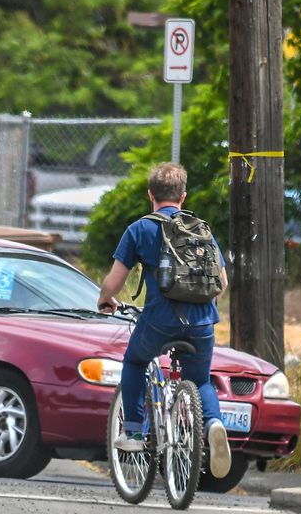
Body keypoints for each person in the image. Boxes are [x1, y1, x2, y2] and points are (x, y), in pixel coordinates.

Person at [97, 162, 232, 479]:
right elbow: (222, 283)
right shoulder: (201, 230)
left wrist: (105, 298)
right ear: (183, 196)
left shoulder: (140, 229)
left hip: (159, 320)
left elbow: (114, 282)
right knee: (200, 380)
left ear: (150, 195)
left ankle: (132, 433)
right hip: (201, 323)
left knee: (134, 361)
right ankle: (213, 424)